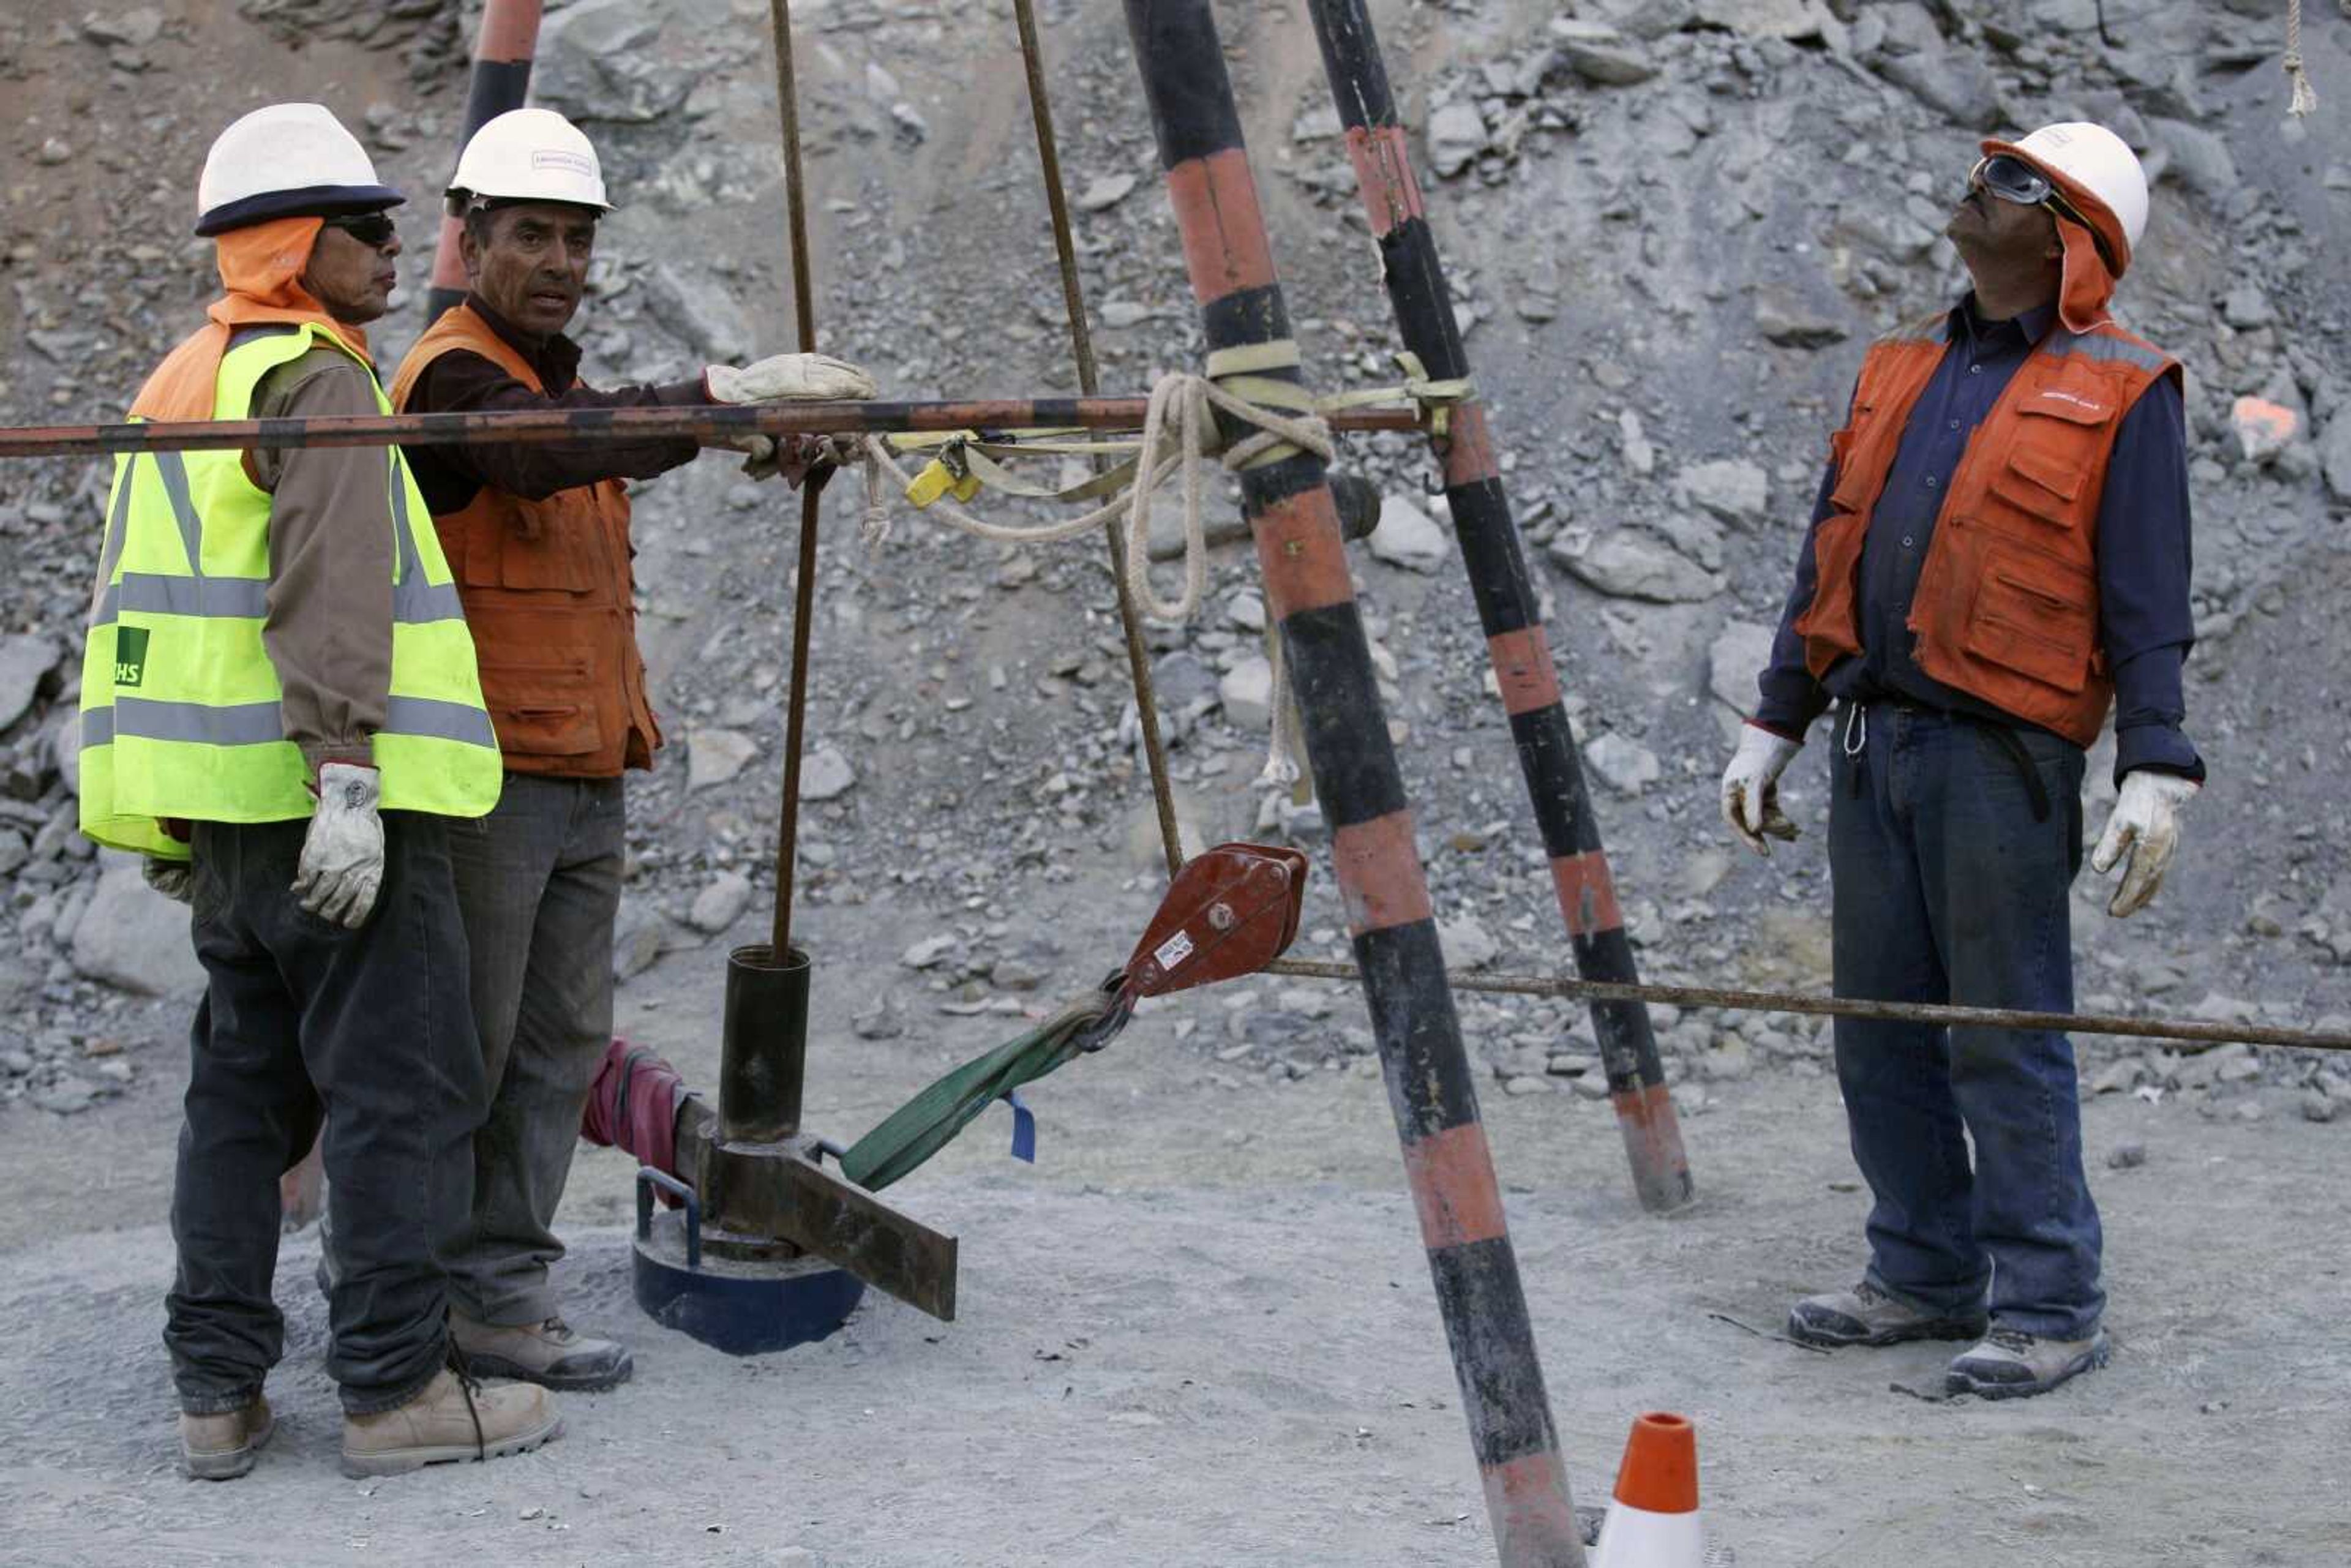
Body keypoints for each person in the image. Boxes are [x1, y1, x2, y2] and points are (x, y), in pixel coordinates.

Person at [79, 102, 559, 1478]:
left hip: (226, 819)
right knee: (393, 1091)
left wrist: (157, 808)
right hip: (327, 811)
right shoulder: (321, 380)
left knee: (239, 1101)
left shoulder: (181, 378)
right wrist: (347, 772)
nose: (396, 242)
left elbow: (133, 612)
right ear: (294, 245)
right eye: (365, 226)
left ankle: (216, 1391)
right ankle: (394, 1387)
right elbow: (331, 589)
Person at [389, 107, 874, 1389]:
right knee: (472, 1053)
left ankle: (500, 1296)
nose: (559, 261)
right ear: (473, 238)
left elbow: (595, 438)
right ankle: (414, 1310)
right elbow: (543, 454)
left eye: (577, 240)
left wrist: (759, 441)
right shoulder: (452, 379)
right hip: (483, 777)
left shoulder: (556, 389)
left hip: (583, 766)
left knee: (552, 1049)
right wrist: (718, 405)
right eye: (532, 236)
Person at [1719, 122, 2202, 1400]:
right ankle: (1926, 1272)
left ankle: (2047, 1302)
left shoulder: (2128, 390)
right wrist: (1779, 716)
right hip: (1876, 746)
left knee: (2002, 1032)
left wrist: (2159, 766)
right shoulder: (1899, 367)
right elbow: (1829, 551)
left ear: (2073, 237)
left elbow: (2150, 597)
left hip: (2001, 763)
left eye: (2015, 180)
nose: (1977, 187)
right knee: (1879, 1031)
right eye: (1988, 168)